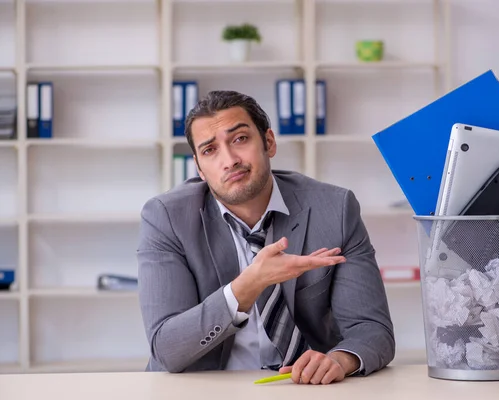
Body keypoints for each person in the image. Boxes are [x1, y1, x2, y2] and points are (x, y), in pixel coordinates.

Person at [136, 90, 395, 384]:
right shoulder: (166, 218)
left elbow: (373, 330)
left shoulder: (335, 209)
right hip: (207, 387)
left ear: (268, 142)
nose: (230, 160)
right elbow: (167, 349)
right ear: (199, 169)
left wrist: (340, 359)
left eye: (240, 139)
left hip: (304, 387)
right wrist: (249, 284)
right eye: (210, 150)